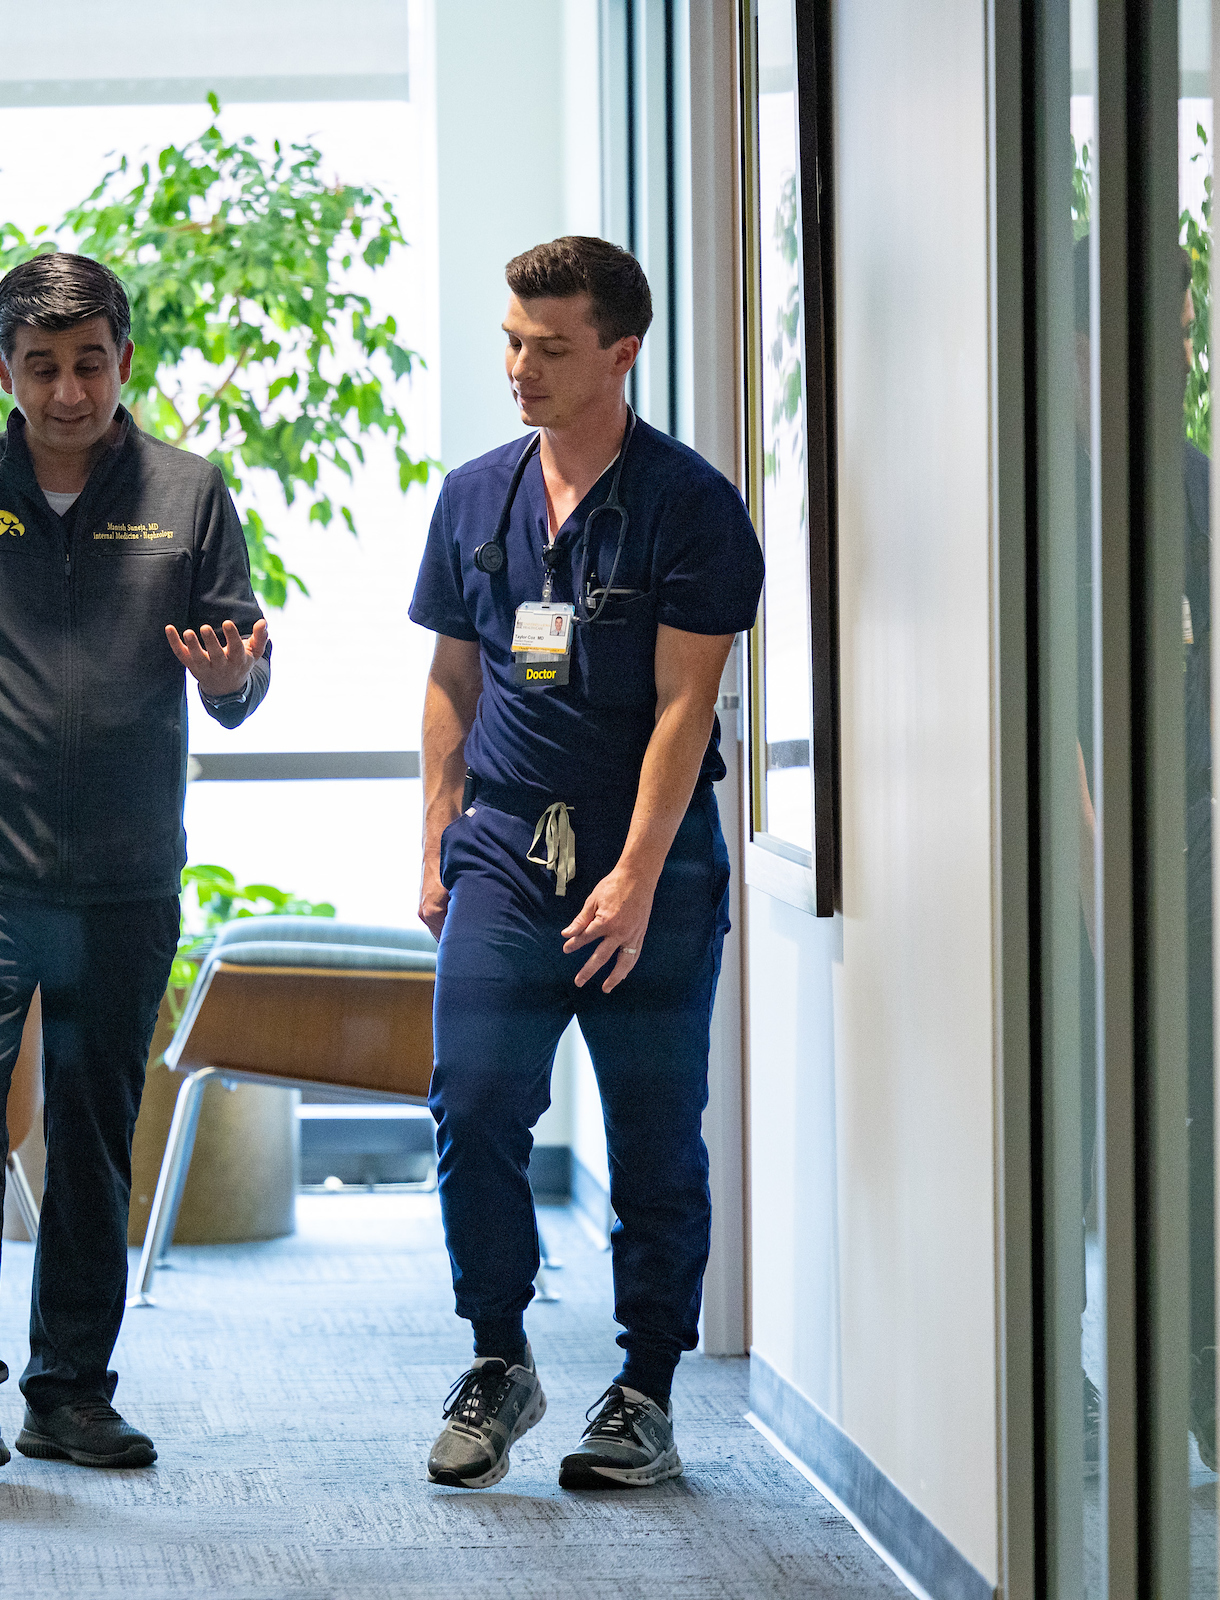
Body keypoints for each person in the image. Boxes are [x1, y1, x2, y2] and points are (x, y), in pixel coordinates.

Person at [0, 251, 273, 1474]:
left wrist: (236, 681)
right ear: (5, 371)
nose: (69, 390)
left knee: (92, 1136)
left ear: (124, 363)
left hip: (126, 879)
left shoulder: (190, 496)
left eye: (90, 363)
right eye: (42, 366)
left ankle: (72, 1390)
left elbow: (240, 668)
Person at [410, 236, 762, 1491]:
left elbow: (688, 706)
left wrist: (637, 873)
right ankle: (498, 1359)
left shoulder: (690, 505)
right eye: (511, 340)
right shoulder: (473, 497)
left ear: (622, 352)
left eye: (550, 349)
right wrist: (440, 834)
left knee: (657, 1135)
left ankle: (645, 1390)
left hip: (652, 859)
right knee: (476, 1105)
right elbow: (453, 677)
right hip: (507, 850)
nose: (520, 367)